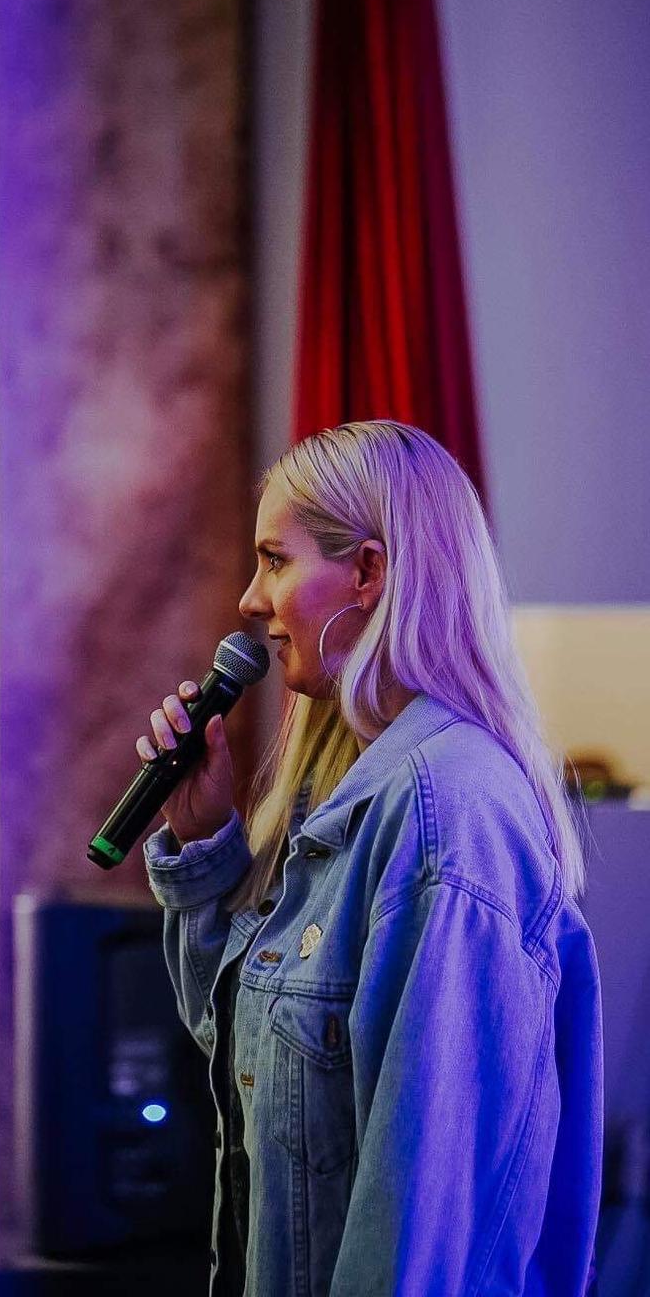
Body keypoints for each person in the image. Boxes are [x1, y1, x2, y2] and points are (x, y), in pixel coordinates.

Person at [140, 420, 603, 1296]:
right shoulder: (351, 797)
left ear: (367, 572)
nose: (249, 599)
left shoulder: (447, 811)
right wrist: (203, 846)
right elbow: (252, 1065)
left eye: (273, 560)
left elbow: (424, 1217)